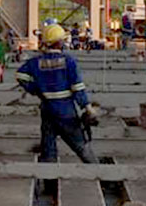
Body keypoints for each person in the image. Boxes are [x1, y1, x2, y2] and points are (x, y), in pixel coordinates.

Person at [16, 24, 98, 163]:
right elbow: (77, 86)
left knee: (48, 150)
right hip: (66, 111)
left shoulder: (35, 62)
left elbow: (20, 75)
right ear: (60, 42)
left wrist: (36, 89)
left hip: (47, 109)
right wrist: (87, 107)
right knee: (80, 145)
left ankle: (49, 182)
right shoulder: (68, 61)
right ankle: (101, 174)